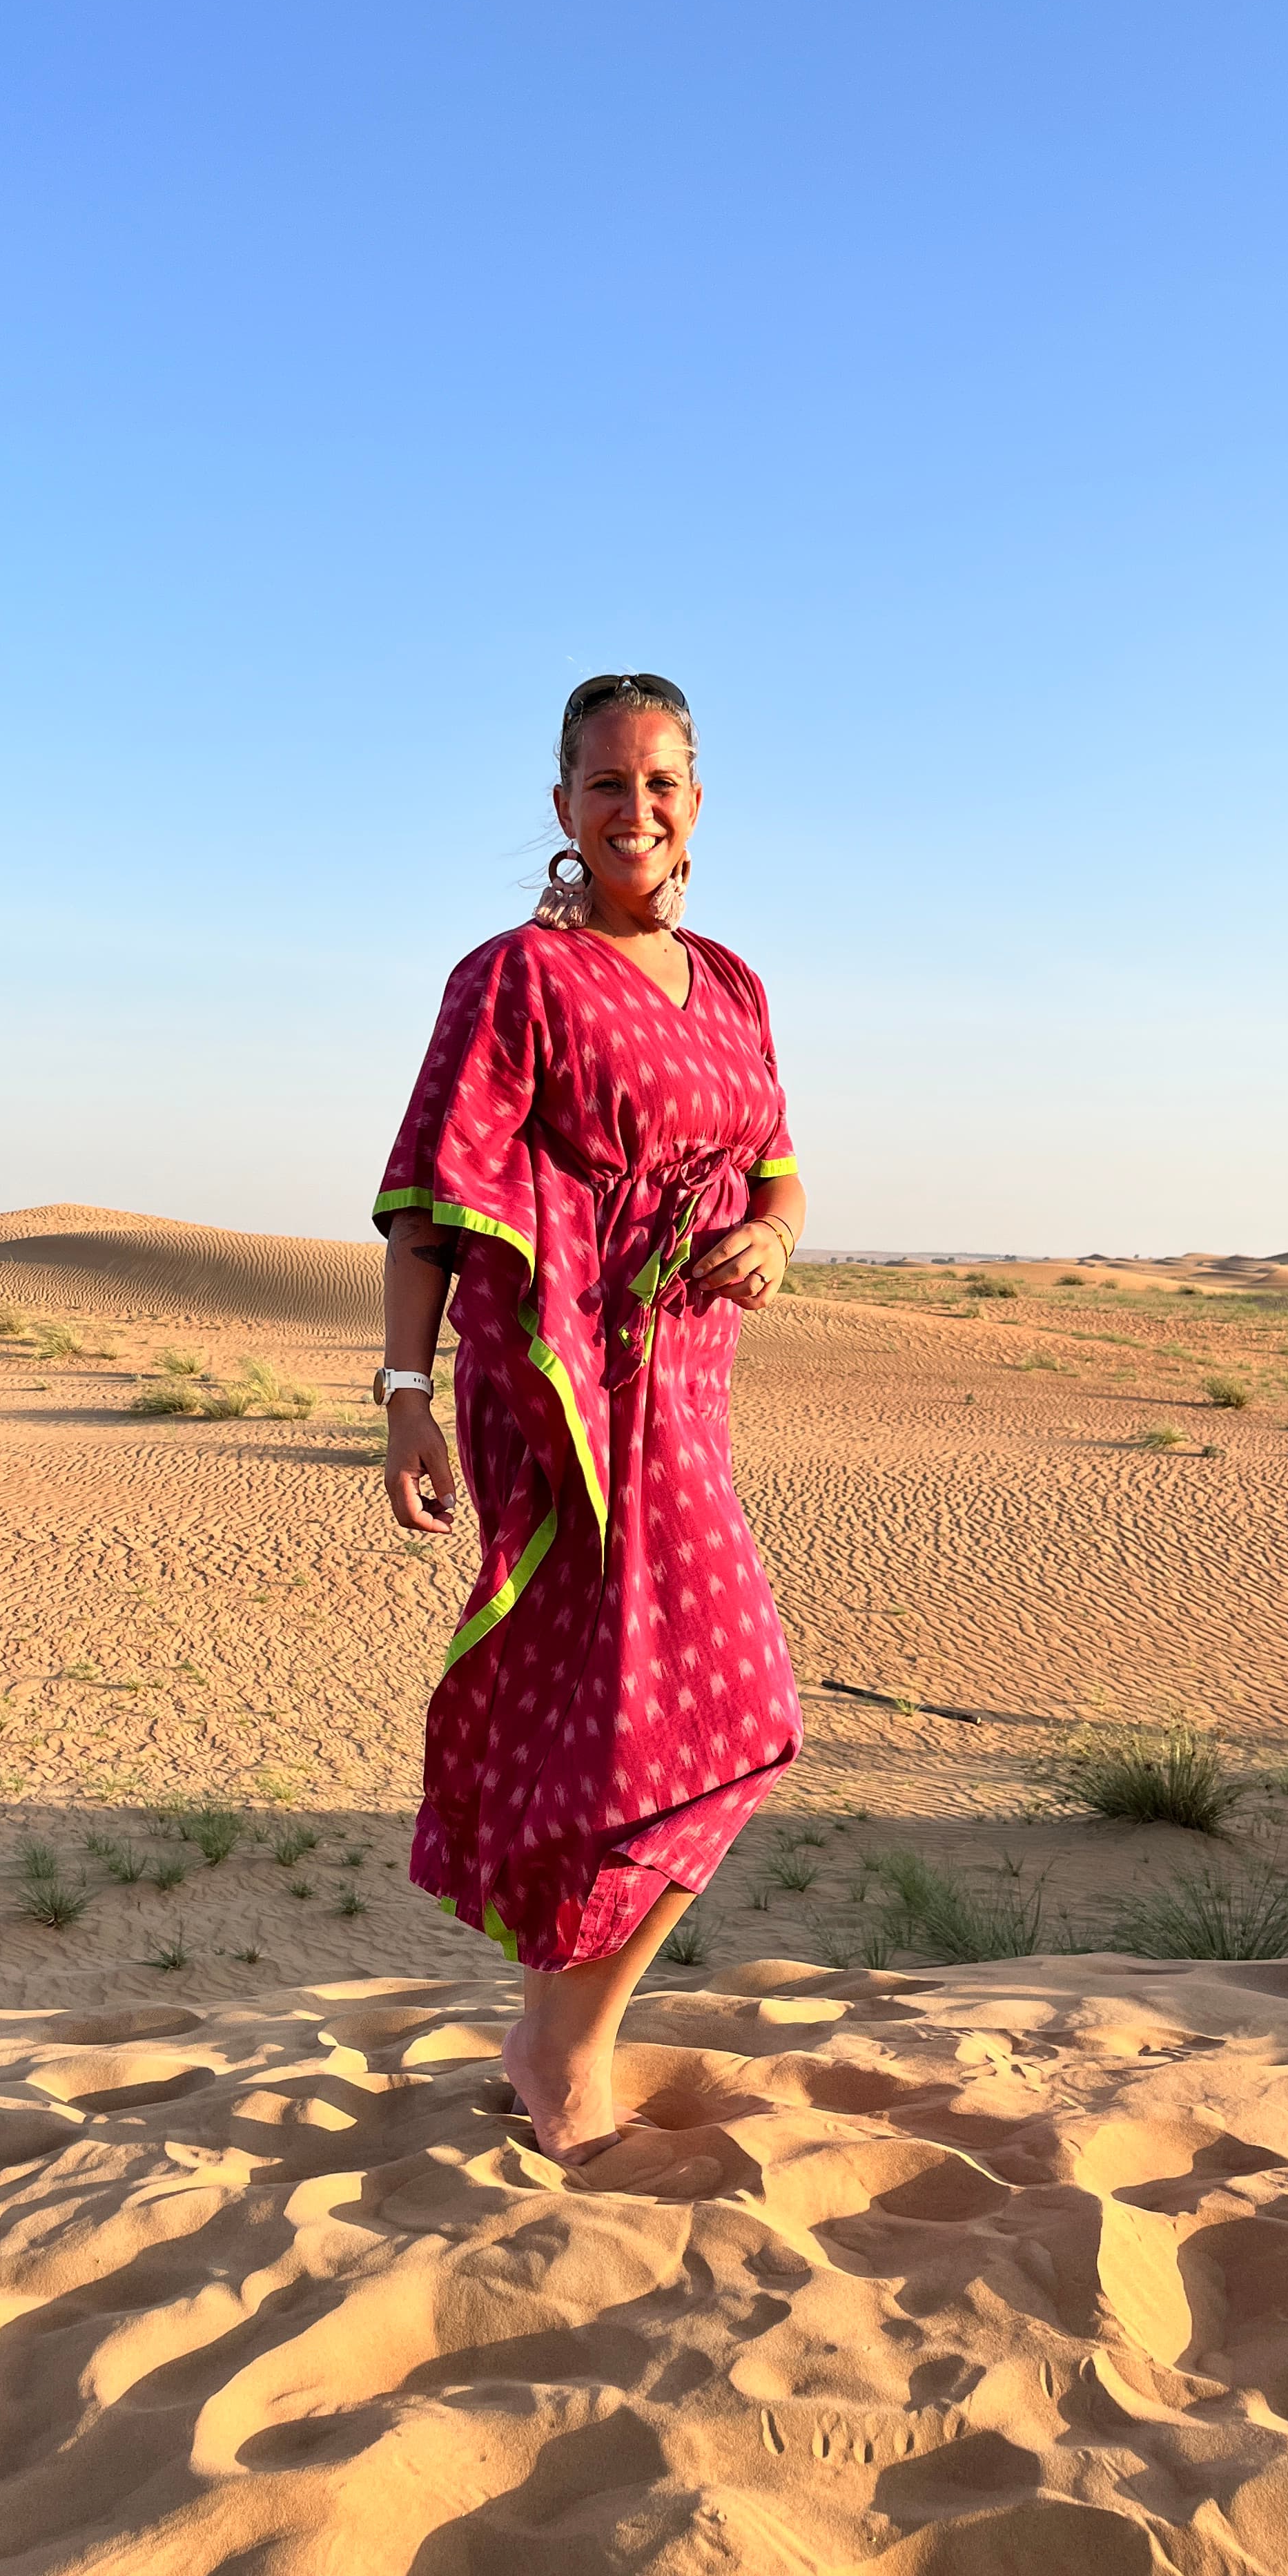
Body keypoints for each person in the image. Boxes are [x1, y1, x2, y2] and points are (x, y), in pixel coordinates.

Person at [374, 672, 808, 2167]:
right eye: (608, 785)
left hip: (690, 1388)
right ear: (561, 808)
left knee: (706, 1724)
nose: (638, 811)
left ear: (700, 800)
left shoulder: (737, 986)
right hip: (559, 1388)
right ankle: (566, 2036)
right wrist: (405, 1397)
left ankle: (565, 2020)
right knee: (708, 1714)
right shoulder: (513, 978)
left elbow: (780, 1171)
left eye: (664, 782)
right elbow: (430, 1207)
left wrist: (776, 1238)